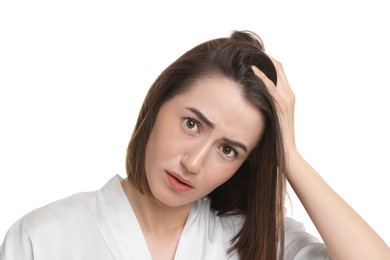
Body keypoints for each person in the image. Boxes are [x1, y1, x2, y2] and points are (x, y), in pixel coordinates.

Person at [0, 30, 389, 260]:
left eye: (229, 149)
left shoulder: (254, 242)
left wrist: (288, 156)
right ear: (156, 104)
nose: (193, 162)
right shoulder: (42, 236)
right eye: (191, 123)